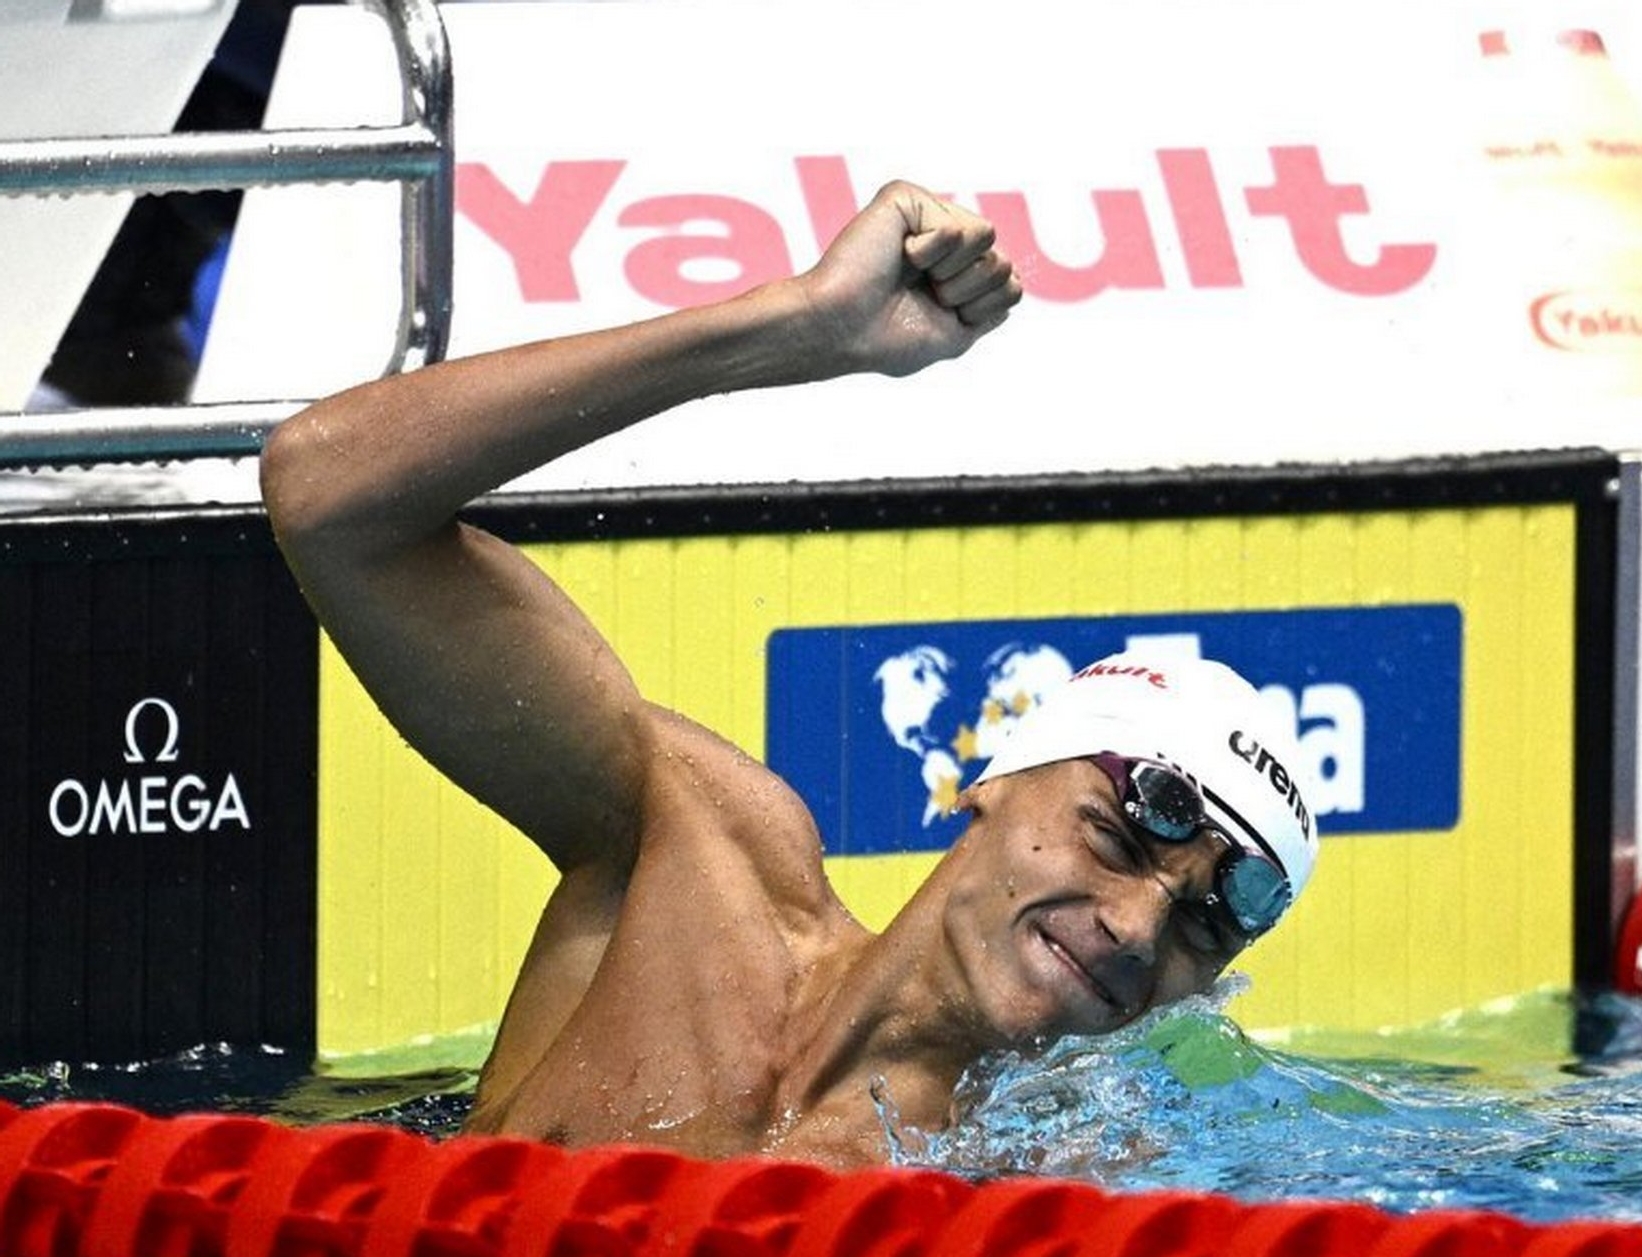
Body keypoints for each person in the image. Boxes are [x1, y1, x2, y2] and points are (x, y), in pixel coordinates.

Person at [260, 181, 1319, 1166]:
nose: (1135, 928)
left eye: (1197, 929)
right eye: (1114, 838)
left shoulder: (1029, 1192)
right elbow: (329, 497)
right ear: (995, 777)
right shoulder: (693, 847)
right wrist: (796, 326)